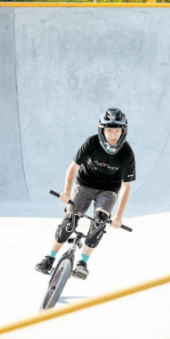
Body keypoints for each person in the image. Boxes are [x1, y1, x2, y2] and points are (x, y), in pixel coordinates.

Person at [35, 108, 136, 280]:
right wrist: (67, 191)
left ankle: (82, 263)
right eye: (109, 130)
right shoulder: (92, 142)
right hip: (85, 184)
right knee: (69, 222)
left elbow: (126, 186)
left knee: (99, 224)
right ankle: (50, 258)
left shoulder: (127, 152)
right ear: (102, 130)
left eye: (117, 131)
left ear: (123, 132)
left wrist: (118, 216)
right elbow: (73, 167)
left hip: (109, 189)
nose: (113, 135)